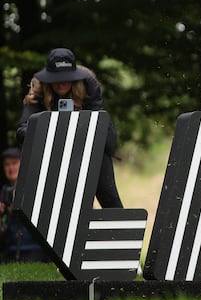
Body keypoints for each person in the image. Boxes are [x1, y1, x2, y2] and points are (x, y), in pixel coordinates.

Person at [15, 47, 123, 208]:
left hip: (91, 148)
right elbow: (22, 131)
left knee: (109, 196)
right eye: (56, 79)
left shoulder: (88, 84)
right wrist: (52, 126)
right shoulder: (38, 90)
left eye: (65, 78)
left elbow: (103, 129)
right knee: (65, 206)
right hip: (53, 152)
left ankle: (119, 230)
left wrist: (78, 123)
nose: (60, 83)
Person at [0, 146, 47, 262]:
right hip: (11, 249)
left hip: (34, 249)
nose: (11, 168)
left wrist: (21, 209)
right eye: (7, 164)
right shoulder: (4, 191)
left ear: (23, 164)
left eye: (14, 163)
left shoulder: (35, 188)